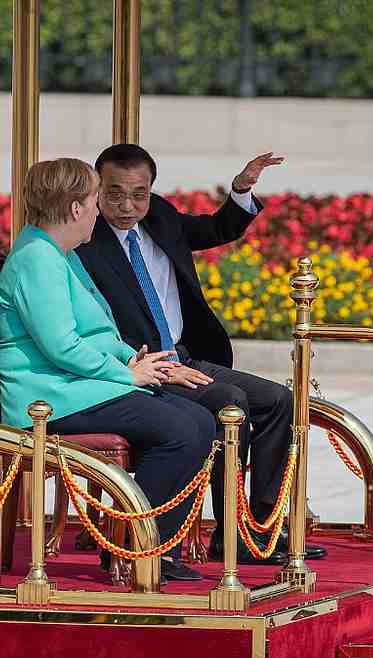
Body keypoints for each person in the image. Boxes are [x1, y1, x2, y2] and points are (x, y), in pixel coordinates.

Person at [76, 144, 327, 565]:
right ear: (97, 190)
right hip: (140, 368)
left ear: (151, 190)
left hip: (185, 356)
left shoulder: (159, 215)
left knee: (279, 401)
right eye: (114, 193)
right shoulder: (84, 239)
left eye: (138, 193)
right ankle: (232, 534)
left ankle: (259, 527)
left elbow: (215, 230)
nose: (127, 205)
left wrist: (242, 189)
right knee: (231, 402)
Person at [0, 157, 215, 582]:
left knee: (197, 419)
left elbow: (94, 332)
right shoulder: (38, 257)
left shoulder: (58, 251)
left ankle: (153, 549)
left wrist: (134, 360)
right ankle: (138, 551)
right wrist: (127, 376)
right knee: (181, 429)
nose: (100, 210)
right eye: (96, 200)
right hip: (51, 398)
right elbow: (60, 346)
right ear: (76, 208)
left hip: (79, 386)